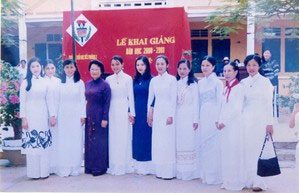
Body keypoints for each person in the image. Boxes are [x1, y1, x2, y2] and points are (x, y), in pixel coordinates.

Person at [241, 54, 274, 192]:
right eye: (248, 65)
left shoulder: (265, 82)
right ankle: (248, 179)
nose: (251, 68)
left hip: (260, 118)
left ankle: (259, 181)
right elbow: (241, 104)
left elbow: (268, 104)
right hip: (246, 119)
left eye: (254, 65)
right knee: (247, 149)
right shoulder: (243, 82)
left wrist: (269, 123)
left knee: (258, 149)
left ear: (259, 66)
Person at [20, 57, 56, 179]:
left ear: (41, 67)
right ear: (29, 69)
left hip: (43, 115)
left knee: (43, 143)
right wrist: (24, 118)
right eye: (33, 66)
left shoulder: (45, 82)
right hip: (30, 116)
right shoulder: (25, 82)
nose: (36, 68)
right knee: (32, 145)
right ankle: (33, 173)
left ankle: (44, 172)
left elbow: (50, 100)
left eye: (37, 66)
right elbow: (22, 102)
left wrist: (52, 115)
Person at [147, 55, 177, 179]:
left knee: (167, 141)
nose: (159, 66)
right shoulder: (153, 81)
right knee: (158, 141)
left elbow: (173, 98)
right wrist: (149, 114)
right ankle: (159, 171)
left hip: (168, 113)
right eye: (157, 64)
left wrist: (171, 115)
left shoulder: (172, 79)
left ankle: (168, 172)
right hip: (158, 112)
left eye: (162, 64)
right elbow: (150, 99)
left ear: (167, 65)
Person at [217, 62, 245, 190]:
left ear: (235, 72)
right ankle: (227, 180)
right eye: (225, 71)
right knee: (226, 152)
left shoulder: (239, 88)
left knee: (234, 152)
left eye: (229, 71)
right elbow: (222, 106)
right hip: (223, 125)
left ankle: (235, 181)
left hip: (233, 125)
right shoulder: (225, 88)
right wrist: (218, 120)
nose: (226, 73)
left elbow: (237, 109)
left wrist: (225, 122)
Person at [55, 59, 86, 177]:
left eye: (71, 67)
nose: (69, 69)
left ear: (75, 68)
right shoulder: (59, 83)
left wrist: (83, 115)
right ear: (63, 69)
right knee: (64, 141)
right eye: (67, 67)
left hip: (76, 115)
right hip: (63, 115)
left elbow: (82, 100)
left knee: (76, 140)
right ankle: (64, 167)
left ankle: (75, 168)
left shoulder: (80, 82)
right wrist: (55, 115)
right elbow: (56, 100)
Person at [106, 55, 135, 175]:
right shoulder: (108, 79)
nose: (115, 67)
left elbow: (131, 97)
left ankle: (124, 164)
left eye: (117, 64)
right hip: (112, 110)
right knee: (113, 137)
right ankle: (114, 164)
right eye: (113, 64)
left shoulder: (128, 78)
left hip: (123, 109)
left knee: (124, 136)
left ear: (122, 65)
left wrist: (131, 112)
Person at [198, 55, 223, 185]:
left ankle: (214, 175)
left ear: (213, 67)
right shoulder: (200, 83)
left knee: (213, 145)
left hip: (213, 116)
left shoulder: (218, 82)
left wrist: (218, 118)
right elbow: (198, 102)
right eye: (203, 65)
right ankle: (205, 174)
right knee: (204, 144)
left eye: (207, 65)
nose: (205, 68)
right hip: (203, 115)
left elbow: (220, 101)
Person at [85, 60, 111, 176]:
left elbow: (107, 103)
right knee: (90, 141)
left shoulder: (105, 85)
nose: (94, 71)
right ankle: (90, 166)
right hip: (89, 116)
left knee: (100, 142)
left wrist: (105, 118)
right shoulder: (88, 83)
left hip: (100, 116)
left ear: (101, 71)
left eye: (96, 69)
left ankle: (100, 168)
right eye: (92, 69)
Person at [175, 59, 199, 180]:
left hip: (189, 116)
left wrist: (196, 119)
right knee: (179, 142)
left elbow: (196, 103)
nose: (182, 71)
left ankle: (190, 172)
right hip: (178, 117)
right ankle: (180, 170)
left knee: (189, 141)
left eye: (185, 69)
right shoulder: (175, 83)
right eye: (180, 69)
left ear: (189, 70)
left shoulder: (193, 84)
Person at [132, 55, 153, 175]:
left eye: (142, 65)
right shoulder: (134, 80)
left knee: (147, 137)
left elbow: (155, 97)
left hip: (147, 112)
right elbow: (131, 97)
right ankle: (138, 165)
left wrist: (151, 112)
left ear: (147, 66)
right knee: (138, 138)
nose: (140, 67)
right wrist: (130, 111)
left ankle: (148, 166)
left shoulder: (151, 80)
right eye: (138, 65)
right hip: (137, 112)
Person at [43, 59, 61, 174]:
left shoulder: (59, 81)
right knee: (47, 139)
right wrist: (51, 115)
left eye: (52, 68)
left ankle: (56, 165)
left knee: (56, 139)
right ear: (44, 69)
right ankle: (47, 166)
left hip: (59, 113)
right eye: (48, 68)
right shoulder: (42, 81)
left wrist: (56, 114)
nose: (50, 70)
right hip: (45, 114)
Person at [261, 50, 280, 117]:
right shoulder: (261, 63)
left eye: (268, 53)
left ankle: (274, 116)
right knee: (264, 99)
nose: (266, 54)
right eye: (265, 53)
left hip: (272, 83)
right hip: (264, 84)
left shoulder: (274, 62)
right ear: (263, 54)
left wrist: (272, 83)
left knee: (273, 99)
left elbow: (276, 73)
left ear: (270, 54)